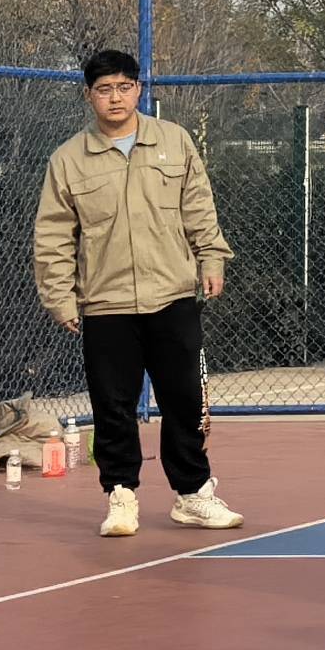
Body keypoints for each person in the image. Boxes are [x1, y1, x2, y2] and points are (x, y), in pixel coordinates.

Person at [29, 47, 239, 540]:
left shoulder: (174, 141)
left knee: (185, 400)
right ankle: (120, 496)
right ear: (89, 95)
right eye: (104, 89)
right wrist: (60, 298)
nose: (116, 98)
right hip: (106, 303)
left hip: (172, 295)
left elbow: (199, 207)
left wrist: (211, 258)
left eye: (124, 87)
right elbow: (53, 236)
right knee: (113, 406)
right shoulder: (68, 160)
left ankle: (193, 494)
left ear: (139, 90)